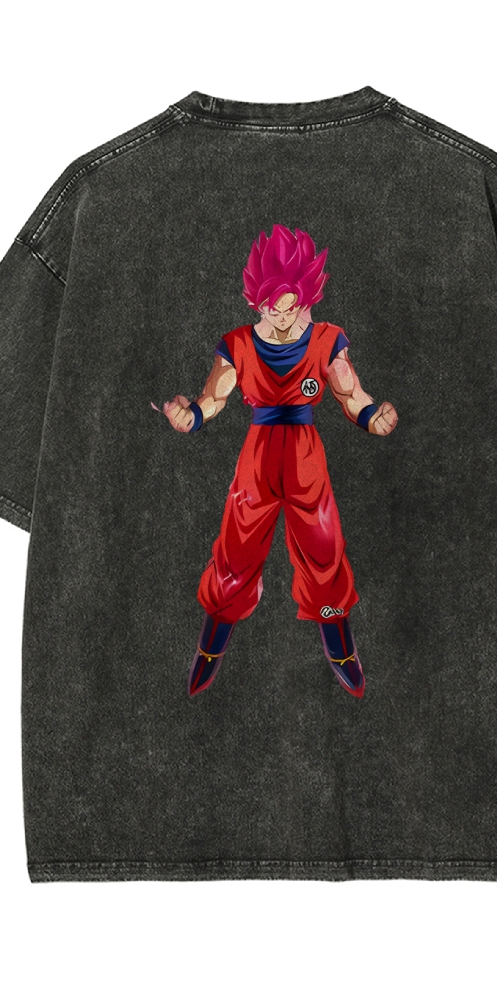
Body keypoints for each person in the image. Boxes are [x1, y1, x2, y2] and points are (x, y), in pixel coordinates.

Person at [153, 224, 397, 697]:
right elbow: (213, 398)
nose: (283, 318)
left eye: (292, 307)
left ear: (307, 298)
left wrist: (373, 417)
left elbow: (351, 394)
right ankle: (210, 647)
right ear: (257, 301)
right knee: (236, 548)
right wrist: (191, 416)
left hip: (306, 456)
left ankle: (341, 648)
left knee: (323, 546)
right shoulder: (237, 345)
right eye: (273, 308)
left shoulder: (327, 339)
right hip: (258, 455)